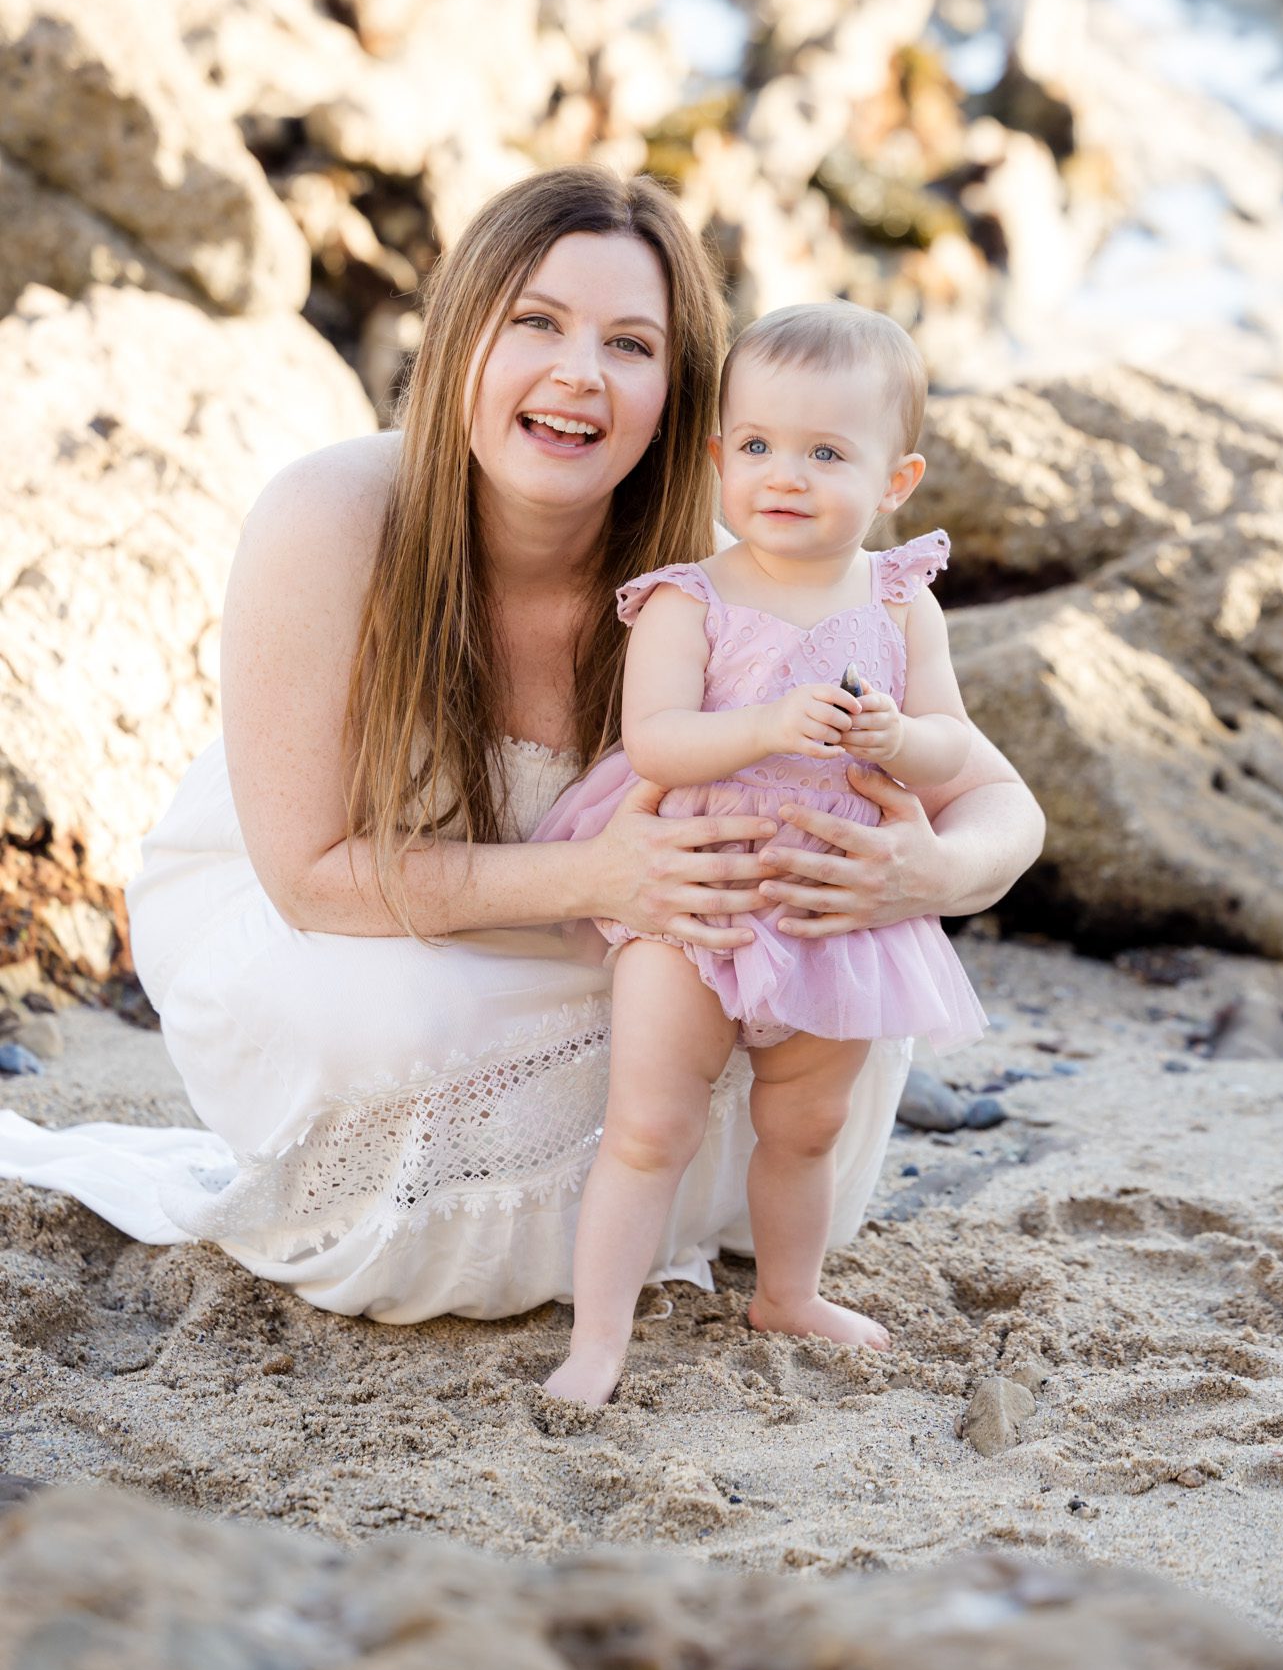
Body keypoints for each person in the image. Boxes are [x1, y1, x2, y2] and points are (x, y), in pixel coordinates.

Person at [0, 167, 1043, 1327]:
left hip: (610, 931)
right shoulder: (334, 513)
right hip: (358, 915)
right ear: (461, 336)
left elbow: (1002, 804)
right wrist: (600, 876)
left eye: (631, 344)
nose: (578, 374)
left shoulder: (727, 569)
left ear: (677, 399)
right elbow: (310, 874)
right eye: (536, 321)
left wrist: (925, 875)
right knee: (405, 1026)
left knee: (827, 994)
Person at [536, 302, 989, 1404]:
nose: (785, 474)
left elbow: (953, 746)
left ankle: (788, 1287)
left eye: (826, 452)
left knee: (806, 1120)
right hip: (694, 889)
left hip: (835, 900)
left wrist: (901, 737)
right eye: (758, 447)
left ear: (896, 479)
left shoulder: (898, 602)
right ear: (717, 456)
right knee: (650, 1122)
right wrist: (769, 726)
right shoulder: (688, 599)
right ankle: (599, 1338)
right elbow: (656, 740)